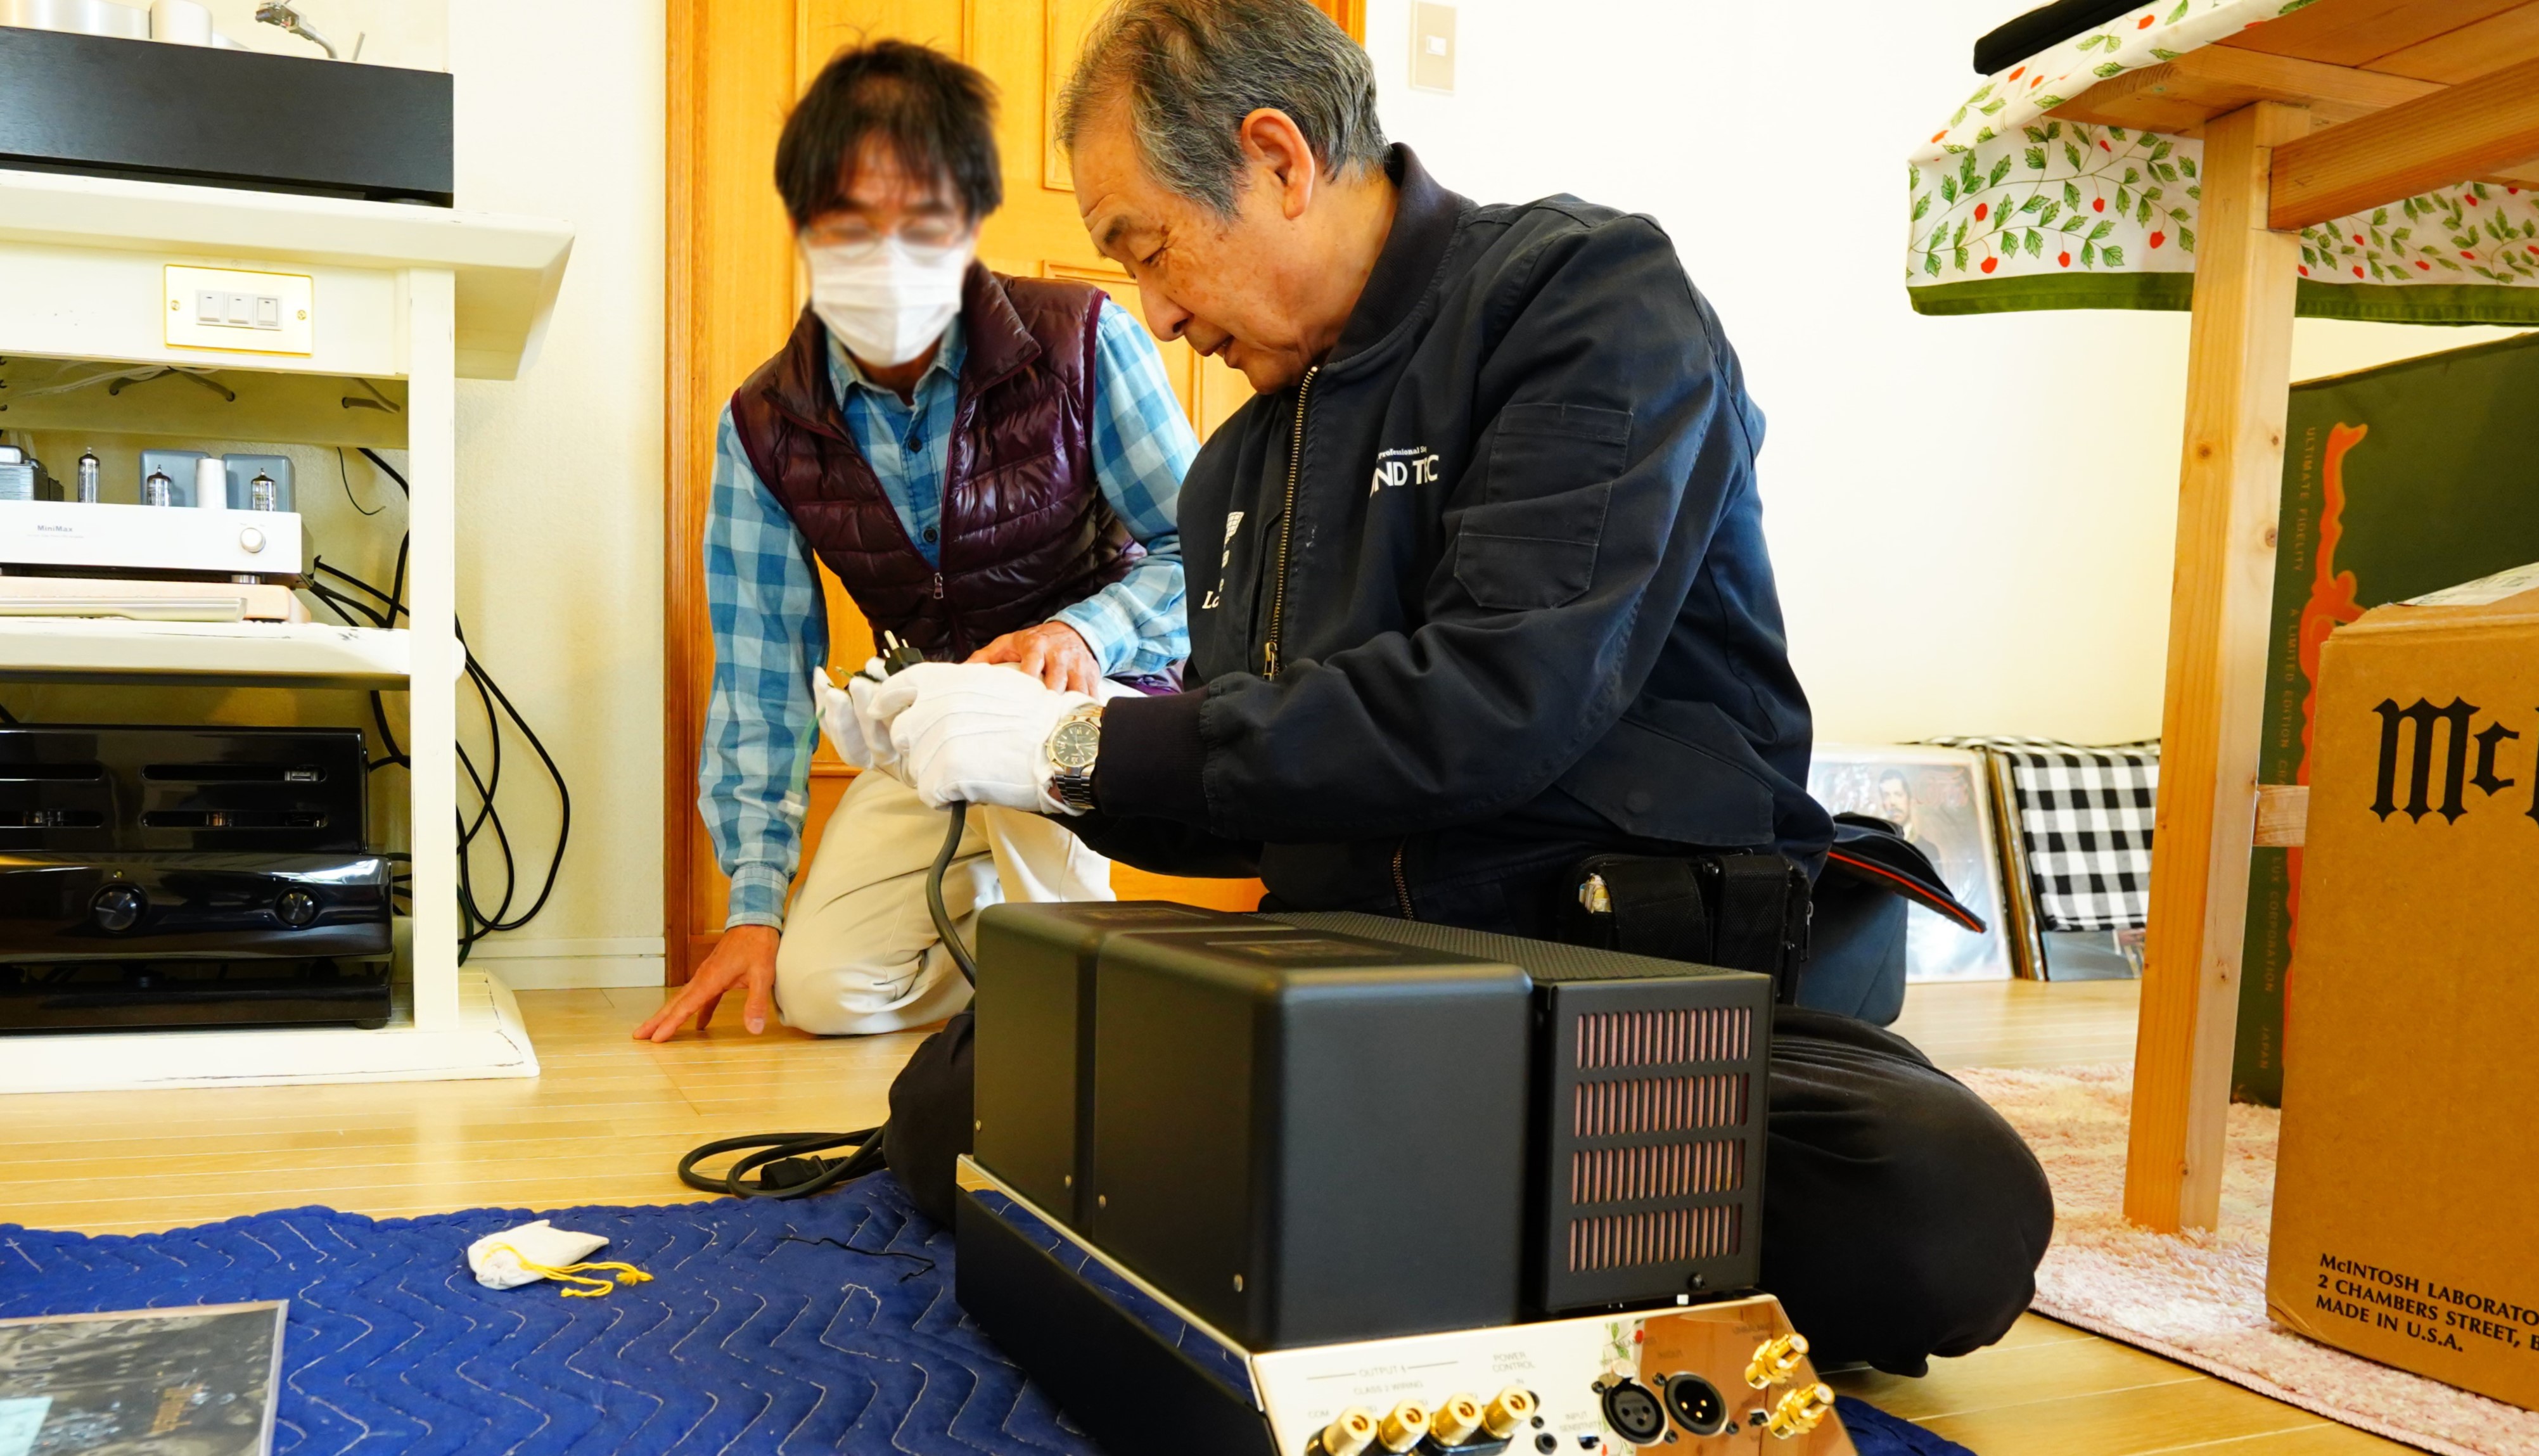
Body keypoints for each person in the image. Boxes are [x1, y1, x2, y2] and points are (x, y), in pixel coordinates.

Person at [834, 0, 2052, 1377]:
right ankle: (1481, 1239)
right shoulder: (1235, 470)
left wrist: (1087, 744)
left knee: (1938, 1213)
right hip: (1346, 994)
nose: (1158, 312)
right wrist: (1032, 759)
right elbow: (1257, 789)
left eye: (1152, 249)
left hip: (1607, 996)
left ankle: (1374, 1225)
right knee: (943, 1110)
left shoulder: (1583, 297)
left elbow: (1499, 701)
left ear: (1280, 160)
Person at [635, 40, 1196, 1044]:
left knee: (1017, 727)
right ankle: (1034, 971)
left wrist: (1086, 633)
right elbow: (761, 680)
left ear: (970, 227)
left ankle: (1070, 1013)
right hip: (932, 727)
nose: (886, 259)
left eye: (923, 225)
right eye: (851, 227)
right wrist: (755, 907)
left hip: (1097, 707)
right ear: (805, 230)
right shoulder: (764, 424)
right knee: (823, 991)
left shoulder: (1082, 340)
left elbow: (1207, 556)